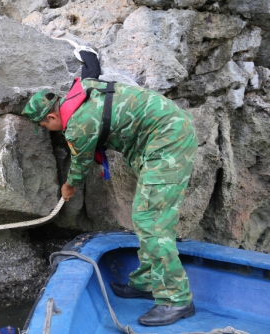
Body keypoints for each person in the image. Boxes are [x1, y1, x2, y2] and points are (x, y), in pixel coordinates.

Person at [21, 48, 197, 326]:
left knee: (151, 220)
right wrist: (87, 55)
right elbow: (91, 69)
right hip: (158, 137)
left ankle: (176, 299)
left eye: (43, 125)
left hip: (168, 140)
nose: (46, 129)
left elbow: (80, 164)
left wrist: (68, 188)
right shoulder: (81, 91)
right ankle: (149, 280)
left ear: (52, 118)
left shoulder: (78, 125)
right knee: (146, 216)